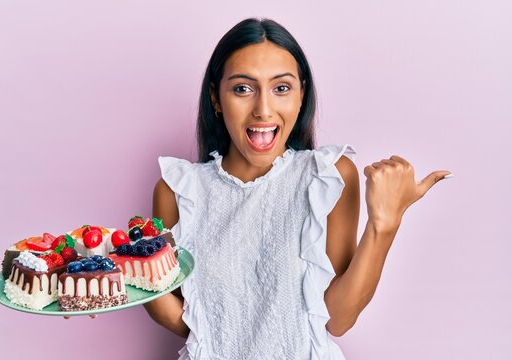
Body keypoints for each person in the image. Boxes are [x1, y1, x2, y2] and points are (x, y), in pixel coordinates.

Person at [143, 17, 451, 359]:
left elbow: (337, 319)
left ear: (301, 95)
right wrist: (121, 280)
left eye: (281, 88)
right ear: (217, 98)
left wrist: (384, 224)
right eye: (243, 88)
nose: (263, 109)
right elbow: (189, 321)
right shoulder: (178, 190)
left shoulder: (327, 176)